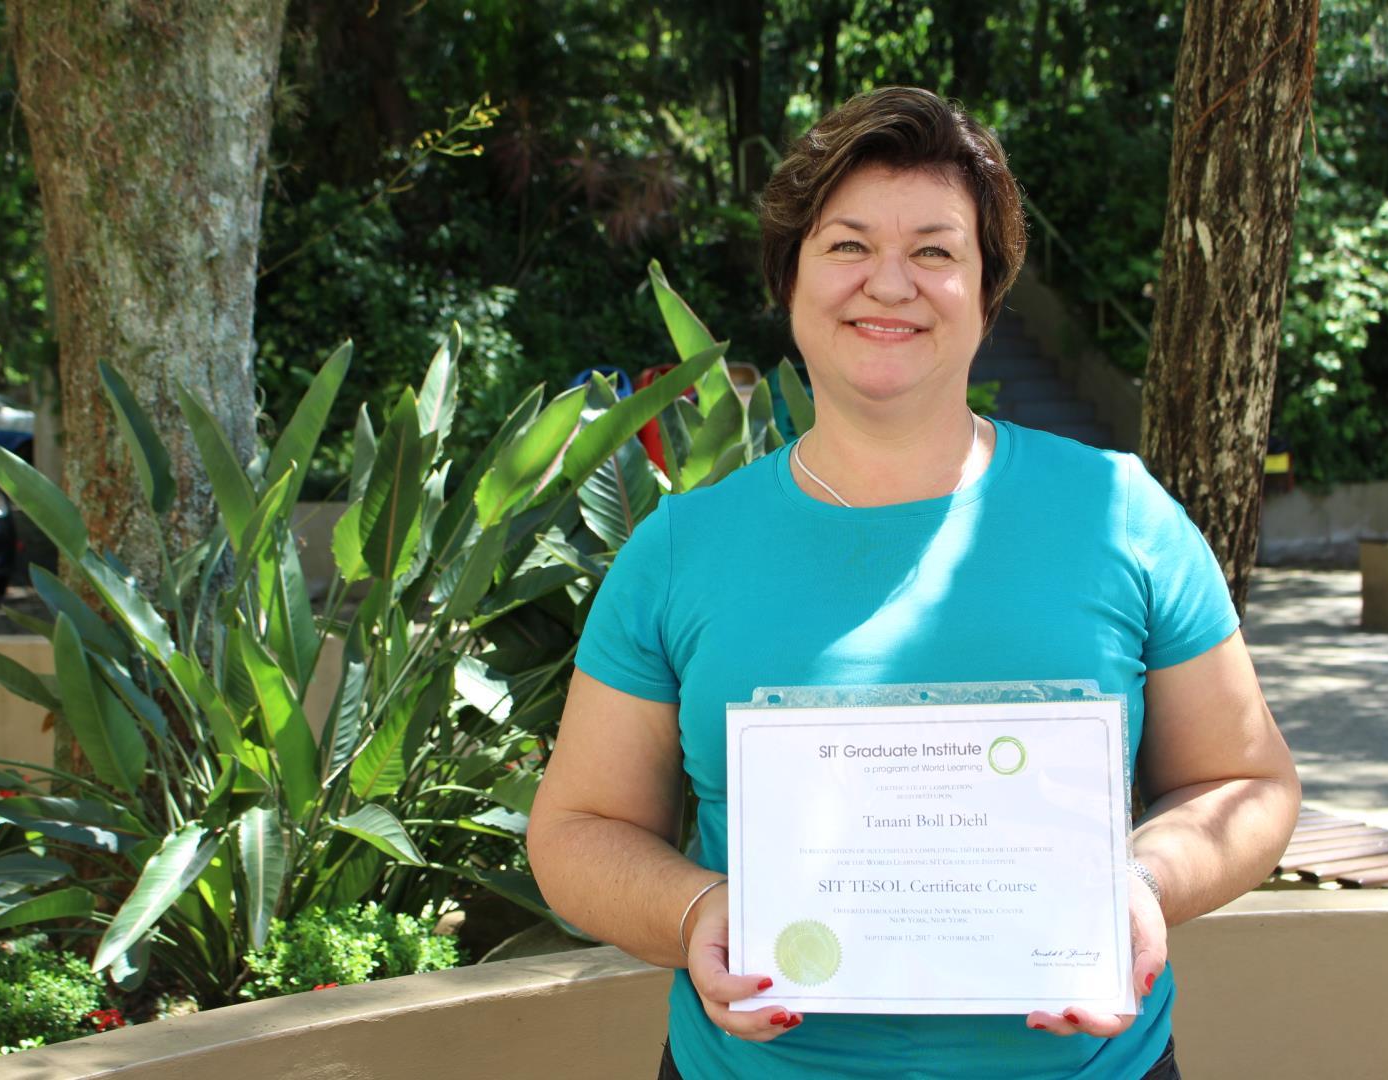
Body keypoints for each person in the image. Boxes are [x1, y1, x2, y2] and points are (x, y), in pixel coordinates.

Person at [527, 86, 1299, 1079]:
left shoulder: (1121, 515)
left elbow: (1248, 782)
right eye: (847, 246)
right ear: (791, 281)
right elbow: (578, 829)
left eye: (934, 251)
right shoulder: (682, 548)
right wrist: (695, 909)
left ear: (987, 293)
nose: (887, 283)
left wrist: (1144, 885)